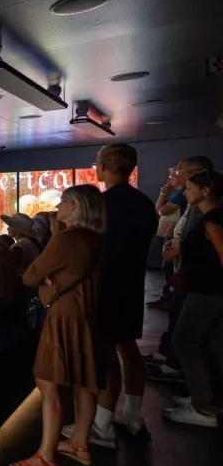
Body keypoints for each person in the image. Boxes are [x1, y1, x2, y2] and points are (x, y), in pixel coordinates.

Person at [10, 185, 107, 466]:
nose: (58, 205)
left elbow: (30, 276)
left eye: (63, 201)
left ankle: (46, 457)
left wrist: (46, 275)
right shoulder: (96, 236)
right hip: (88, 315)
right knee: (83, 381)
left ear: (76, 206)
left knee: (47, 382)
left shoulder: (67, 239)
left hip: (64, 316)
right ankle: (79, 443)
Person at [82, 144, 157, 446]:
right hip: (132, 285)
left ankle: (102, 426)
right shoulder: (143, 202)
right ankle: (134, 416)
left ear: (102, 166)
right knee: (130, 350)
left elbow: (92, 250)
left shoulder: (101, 203)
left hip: (105, 287)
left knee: (107, 355)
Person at [163, 170, 223, 427]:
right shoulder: (211, 218)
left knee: (184, 341)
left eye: (189, 188)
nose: (185, 192)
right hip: (210, 292)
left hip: (206, 292)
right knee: (212, 345)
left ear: (206, 191)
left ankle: (204, 409)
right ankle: (208, 400)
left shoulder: (212, 220)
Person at [150, 156, 215, 381]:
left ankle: (201, 398)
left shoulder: (210, 215)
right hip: (189, 274)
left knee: (187, 335)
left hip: (199, 280)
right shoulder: (196, 206)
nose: (175, 177)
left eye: (180, 172)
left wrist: (180, 252)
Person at [148, 167, 186, 310]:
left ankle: (170, 299)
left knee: (170, 267)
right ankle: (168, 297)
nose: (170, 179)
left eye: (173, 176)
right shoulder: (175, 194)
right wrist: (163, 194)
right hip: (170, 235)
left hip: (174, 236)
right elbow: (159, 209)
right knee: (168, 267)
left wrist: (163, 195)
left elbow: (162, 210)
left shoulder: (180, 195)